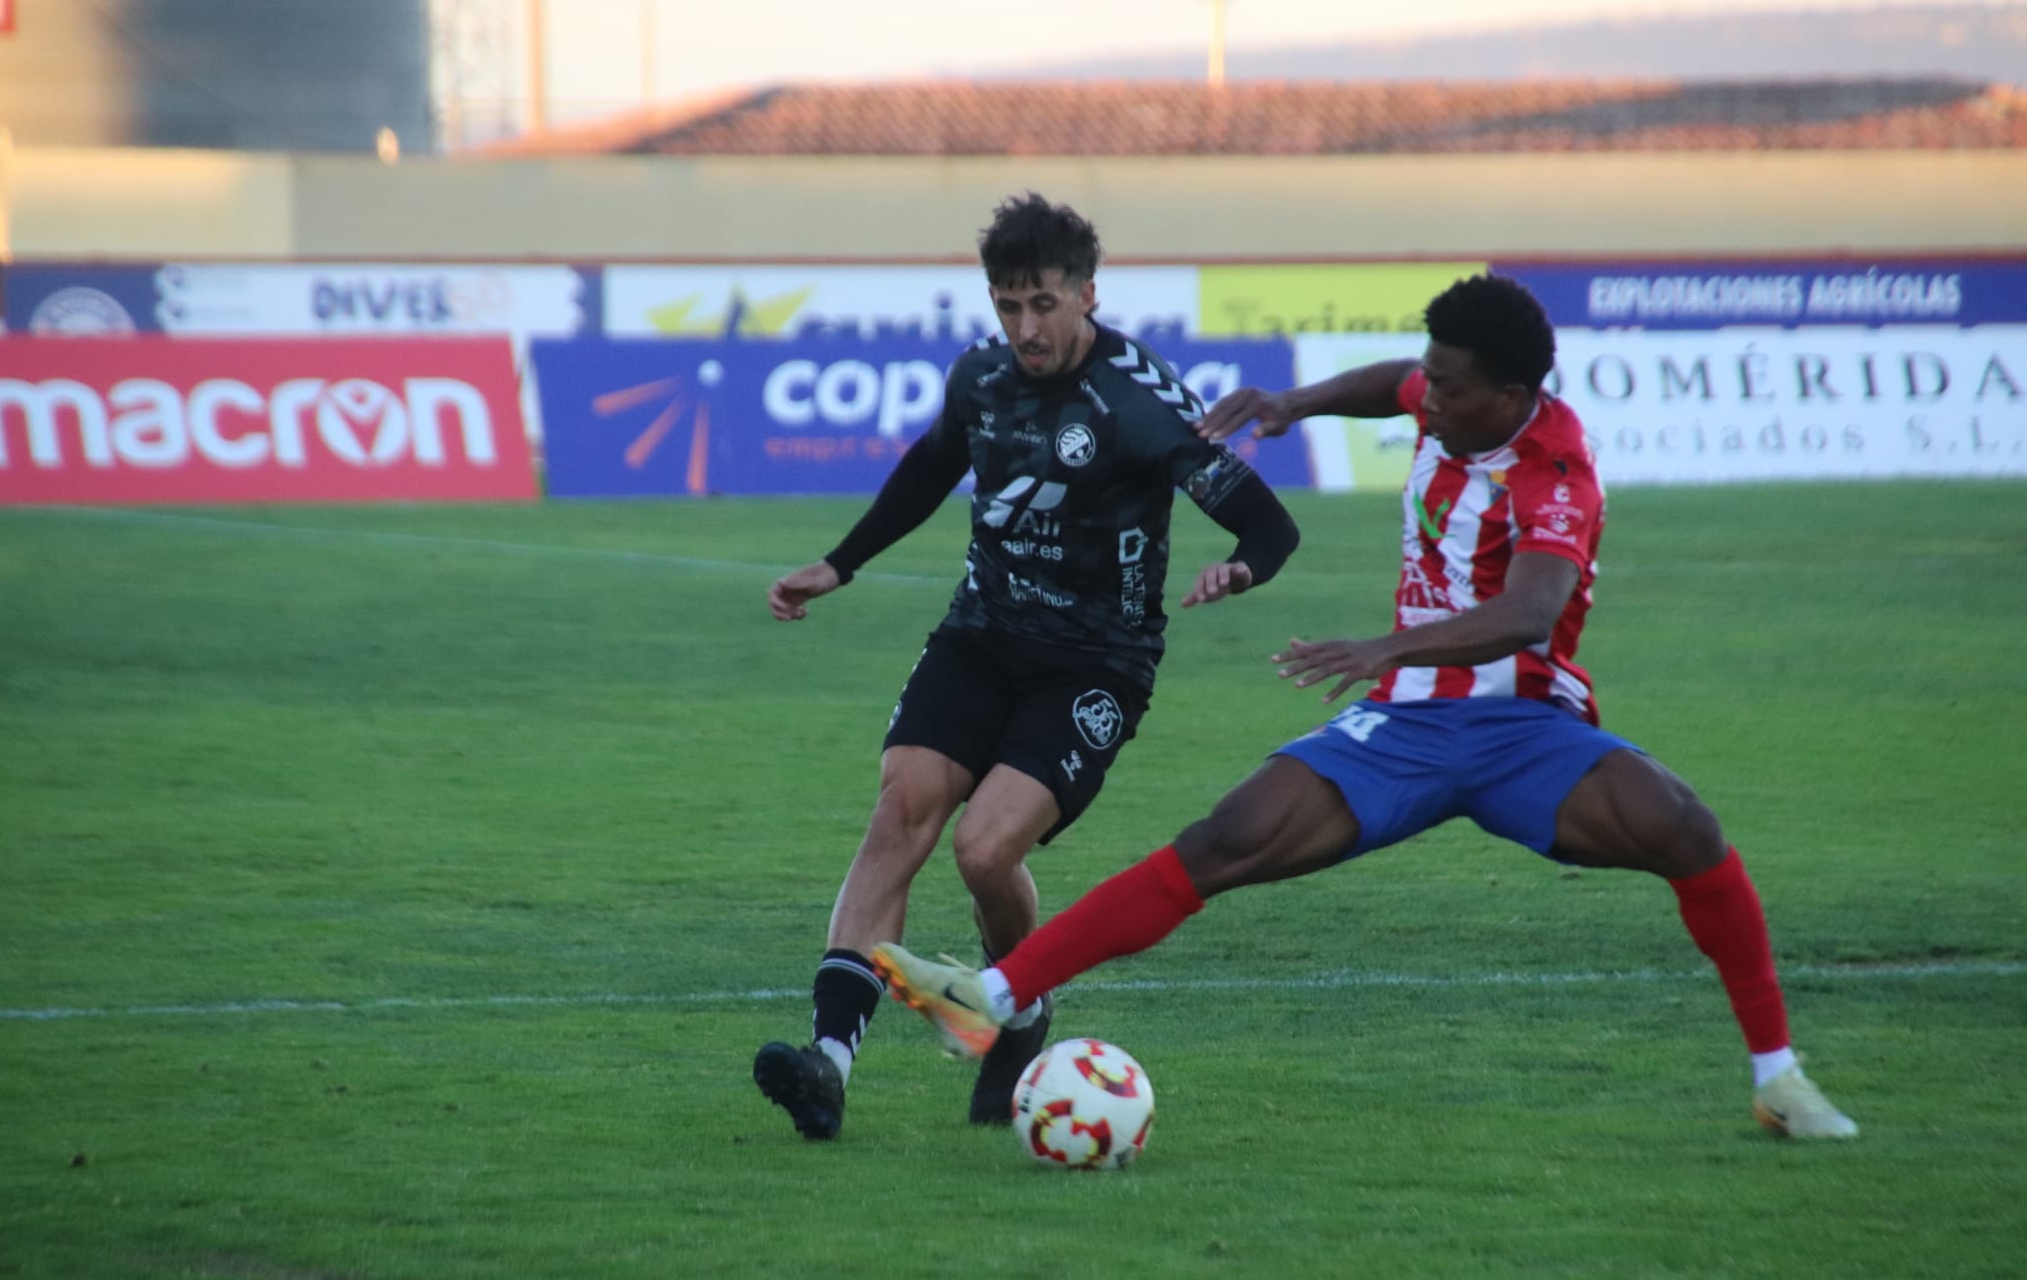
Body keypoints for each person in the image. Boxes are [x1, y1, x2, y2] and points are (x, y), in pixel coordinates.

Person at [874, 272, 1859, 1141]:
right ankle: (991, 998)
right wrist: (1291, 403)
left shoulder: (1552, 472)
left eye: (1447, 384)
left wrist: (1383, 647)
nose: (1424, 395)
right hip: (1404, 729)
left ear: (1509, 398)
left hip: (1522, 729)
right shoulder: (1453, 397)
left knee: (1683, 828)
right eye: (1428, 374)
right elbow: (1389, 380)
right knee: (1224, 840)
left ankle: (1776, 1079)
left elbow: (1531, 610)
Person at [753, 192, 1302, 1140]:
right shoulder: (982, 380)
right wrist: (840, 563)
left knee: (984, 848)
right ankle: (829, 1062)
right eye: (1008, 306)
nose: (1025, 327)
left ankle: (1022, 1003)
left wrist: (1242, 564)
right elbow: (930, 467)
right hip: (982, 635)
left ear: (1088, 293)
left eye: (1043, 304)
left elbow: (1269, 519)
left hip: (1095, 663)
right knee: (901, 809)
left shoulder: (1139, 400)